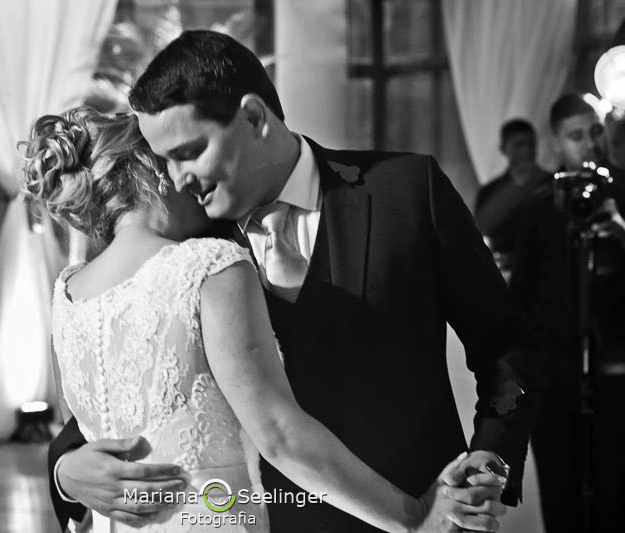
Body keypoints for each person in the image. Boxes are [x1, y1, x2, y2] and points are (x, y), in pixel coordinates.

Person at [49, 31, 535, 533]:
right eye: (164, 160)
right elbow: (128, 380)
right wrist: (66, 470)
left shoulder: (408, 191)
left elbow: (506, 345)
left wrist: (491, 457)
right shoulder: (188, 254)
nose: (175, 180)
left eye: (190, 151)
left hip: (430, 514)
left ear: (255, 117)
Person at [509, 94, 625, 533]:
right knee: (562, 497)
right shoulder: (539, 207)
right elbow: (519, 297)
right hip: (553, 376)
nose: (590, 144)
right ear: (556, 142)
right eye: (576, 136)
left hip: (617, 376)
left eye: (595, 131)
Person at [474, 119, 550, 274]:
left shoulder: (550, 184)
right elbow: (481, 227)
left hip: (544, 269)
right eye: (519, 145)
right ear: (503, 148)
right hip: (506, 271)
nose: (526, 151)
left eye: (531, 144)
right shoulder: (490, 191)